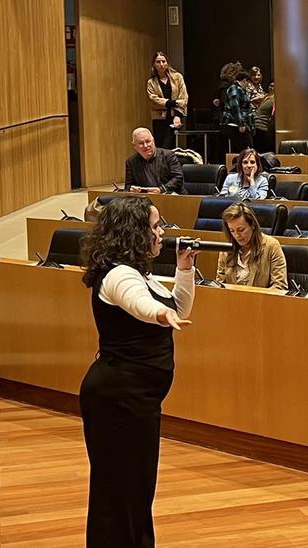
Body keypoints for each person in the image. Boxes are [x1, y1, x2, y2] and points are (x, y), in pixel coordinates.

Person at [78, 196, 198, 546]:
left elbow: (177, 305)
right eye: (156, 226)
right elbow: (142, 305)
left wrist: (185, 269)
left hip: (133, 399)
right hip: (118, 400)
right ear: (134, 233)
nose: (162, 232)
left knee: (135, 489)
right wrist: (160, 316)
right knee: (121, 490)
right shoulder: (118, 276)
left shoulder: (137, 273)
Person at [215, 203, 287, 290]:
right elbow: (220, 285)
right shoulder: (226, 249)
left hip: (261, 302)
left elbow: (279, 286)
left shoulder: (271, 246)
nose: (237, 235)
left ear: (253, 225)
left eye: (241, 230)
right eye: (232, 231)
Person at [145, 51, 188, 150]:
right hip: (159, 119)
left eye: (163, 61)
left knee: (169, 146)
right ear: (154, 64)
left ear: (167, 62)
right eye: (158, 62)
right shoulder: (151, 82)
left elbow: (183, 98)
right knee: (160, 147)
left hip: (175, 116)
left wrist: (178, 115)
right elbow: (154, 101)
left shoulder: (177, 77)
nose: (161, 65)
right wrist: (174, 102)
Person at [125, 128, 183, 194]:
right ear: (134, 146)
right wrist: (131, 189)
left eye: (148, 141)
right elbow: (127, 186)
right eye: (141, 143)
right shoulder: (131, 162)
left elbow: (178, 178)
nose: (145, 146)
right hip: (145, 199)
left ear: (153, 141)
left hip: (171, 196)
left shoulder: (168, 155)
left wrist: (161, 189)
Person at [221, 69, 256, 155]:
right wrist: (241, 123)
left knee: (247, 151)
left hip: (241, 125)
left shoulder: (239, 89)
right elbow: (235, 107)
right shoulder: (234, 88)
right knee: (245, 152)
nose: (248, 85)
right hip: (236, 125)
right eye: (248, 83)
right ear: (244, 80)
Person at [252, 80, 275, 153]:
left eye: (274, 86)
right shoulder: (266, 96)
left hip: (264, 127)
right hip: (256, 125)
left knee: (263, 152)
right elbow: (252, 101)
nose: (271, 88)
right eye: (270, 86)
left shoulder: (276, 98)